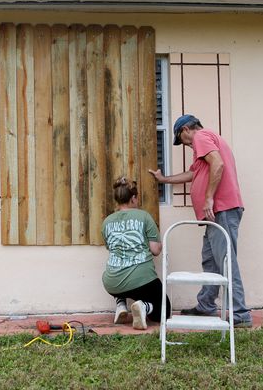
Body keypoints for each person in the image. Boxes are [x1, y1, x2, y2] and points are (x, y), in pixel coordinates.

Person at [148, 114, 252, 328]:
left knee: (225, 261)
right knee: (210, 259)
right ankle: (205, 304)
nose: (184, 144)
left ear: (186, 129)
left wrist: (208, 198)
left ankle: (241, 313)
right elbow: (192, 174)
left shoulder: (201, 137)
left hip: (221, 209)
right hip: (217, 212)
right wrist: (164, 180)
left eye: (181, 138)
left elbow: (218, 164)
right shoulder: (204, 145)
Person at [102, 176, 171, 330]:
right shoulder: (144, 216)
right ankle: (144, 307)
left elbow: (112, 248)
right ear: (133, 198)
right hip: (142, 280)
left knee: (116, 274)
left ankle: (121, 304)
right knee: (164, 310)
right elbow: (155, 250)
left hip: (112, 281)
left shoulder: (106, 221)